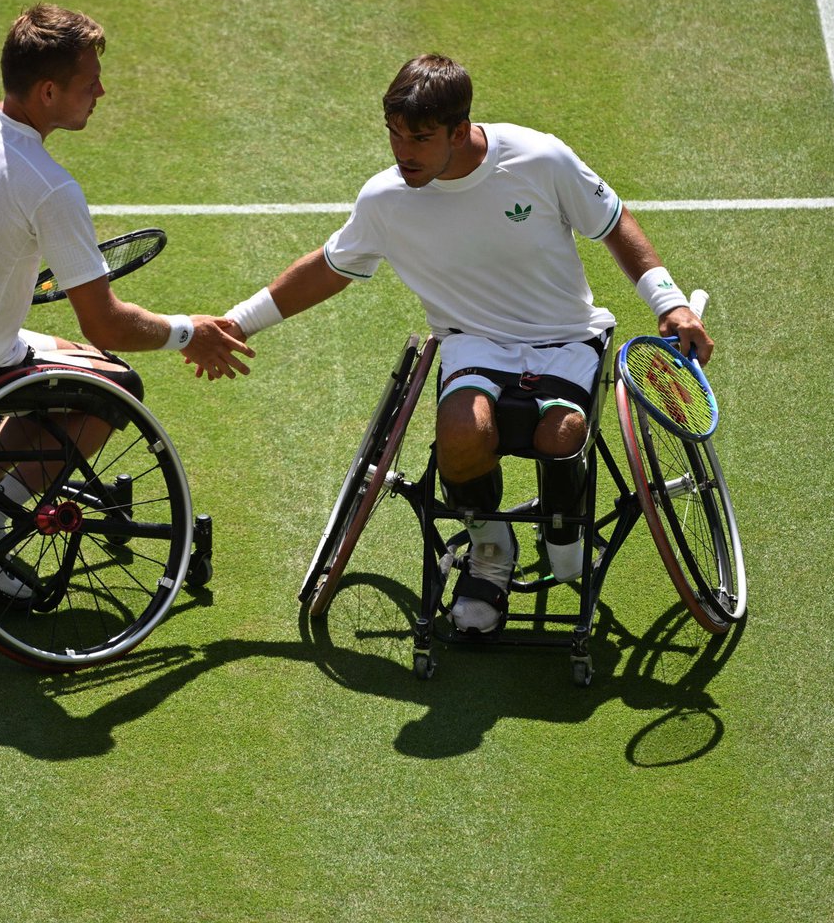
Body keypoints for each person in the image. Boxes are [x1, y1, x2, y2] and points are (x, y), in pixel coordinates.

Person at [217, 53, 712, 635]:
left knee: (563, 434)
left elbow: (613, 222)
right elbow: (328, 269)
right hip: (472, 344)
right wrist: (236, 323)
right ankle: (490, 553)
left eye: (420, 138)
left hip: (565, 338)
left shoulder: (538, 158)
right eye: (394, 134)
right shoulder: (385, 199)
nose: (404, 152)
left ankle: (562, 526)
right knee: (459, 432)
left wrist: (669, 301)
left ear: (460, 130)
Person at [0, 3, 253, 598]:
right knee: (114, 383)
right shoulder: (50, 188)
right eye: (90, 82)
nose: (102, 91)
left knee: (61, 355)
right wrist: (187, 330)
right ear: (46, 91)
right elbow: (107, 324)